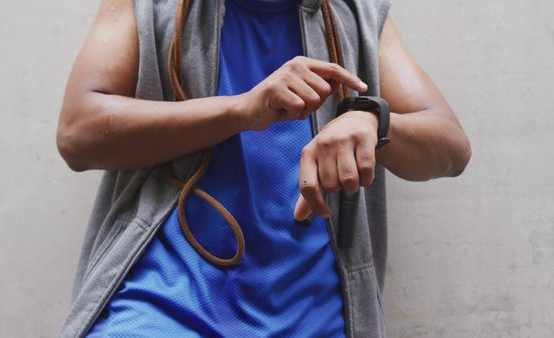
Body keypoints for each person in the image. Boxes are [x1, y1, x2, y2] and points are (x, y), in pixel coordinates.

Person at [56, 0, 471, 336]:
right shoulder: (148, 7)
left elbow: (451, 145)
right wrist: (242, 109)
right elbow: (79, 133)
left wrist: (372, 121)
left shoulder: (356, 14)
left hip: (314, 317)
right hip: (159, 309)